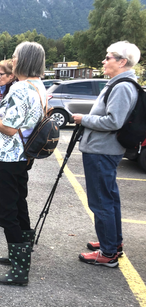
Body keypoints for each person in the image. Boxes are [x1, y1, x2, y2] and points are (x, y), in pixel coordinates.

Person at [0, 41, 45, 286]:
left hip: (8, 156)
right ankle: (21, 255)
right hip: (23, 156)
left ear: (24, 60)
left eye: (15, 57)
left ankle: (19, 269)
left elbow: (9, 128)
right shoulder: (38, 86)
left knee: (7, 212)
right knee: (19, 204)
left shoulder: (19, 89)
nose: (12, 60)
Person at [72, 41, 140, 268]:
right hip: (105, 149)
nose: (104, 61)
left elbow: (114, 121)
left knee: (101, 201)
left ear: (122, 61)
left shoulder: (122, 86)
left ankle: (108, 252)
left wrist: (84, 119)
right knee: (109, 199)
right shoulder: (122, 83)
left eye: (108, 57)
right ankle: (112, 242)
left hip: (102, 150)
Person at [0, 60, 17, 216]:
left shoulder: (13, 91)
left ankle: (6, 211)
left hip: (9, 143)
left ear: (11, 75)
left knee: (7, 181)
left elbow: (7, 119)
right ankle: (0, 206)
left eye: (1, 74)